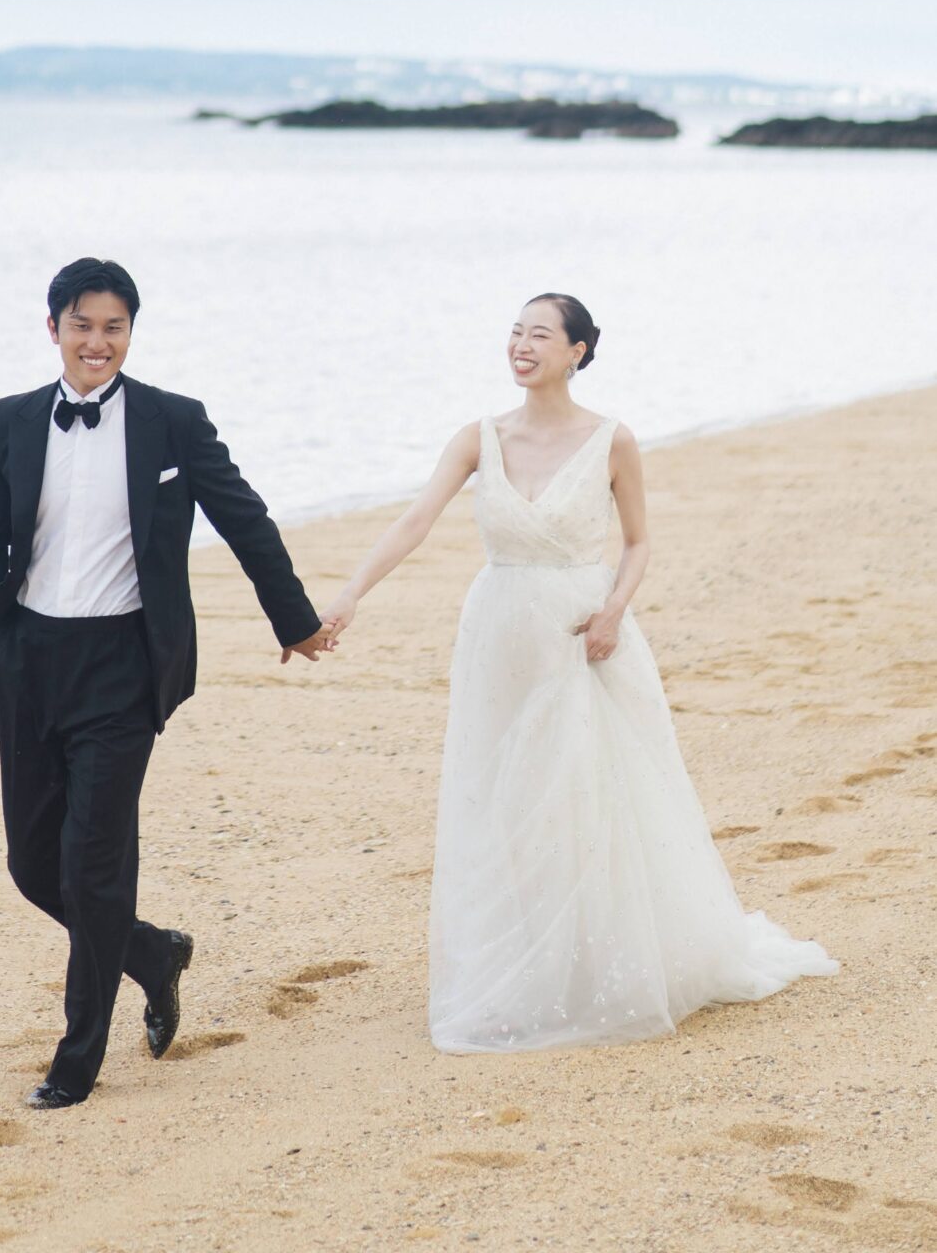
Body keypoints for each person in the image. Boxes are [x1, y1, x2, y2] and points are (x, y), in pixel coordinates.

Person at [321, 292, 838, 1051]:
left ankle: (603, 962)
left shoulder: (611, 440)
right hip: (498, 634)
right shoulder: (478, 438)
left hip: (581, 633)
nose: (522, 345)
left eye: (540, 335)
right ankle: (520, 971)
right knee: (505, 802)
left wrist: (613, 612)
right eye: (515, 333)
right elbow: (414, 521)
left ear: (579, 352)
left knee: (588, 796)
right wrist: (349, 594)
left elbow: (637, 543)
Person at [0, 256, 330, 1107]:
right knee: (32, 865)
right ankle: (152, 954)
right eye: (83, 325)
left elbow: (244, 518)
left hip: (126, 669)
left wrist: (296, 620)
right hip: (30, 664)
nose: (99, 342)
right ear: (52, 327)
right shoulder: (10, 419)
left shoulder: (173, 422)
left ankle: (76, 1061)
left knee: (93, 866)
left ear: (131, 332)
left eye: (114, 326)